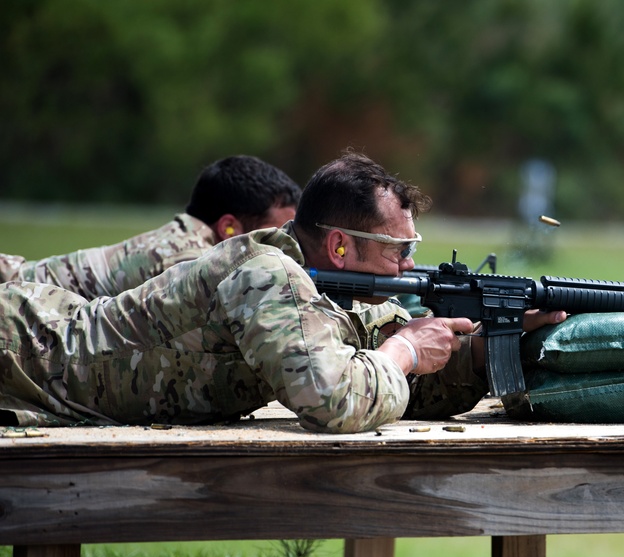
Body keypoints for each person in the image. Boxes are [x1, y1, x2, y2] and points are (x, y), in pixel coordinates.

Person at [0, 152, 566, 433]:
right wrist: (406, 351)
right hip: (23, 351)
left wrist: (482, 349)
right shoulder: (267, 273)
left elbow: (397, 386)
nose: (410, 264)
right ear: (340, 246)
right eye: (399, 248)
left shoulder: (333, 290)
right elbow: (333, 401)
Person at [0, 155, 301, 299]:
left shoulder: (185, 239)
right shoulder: (189, 259)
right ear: (230, 228)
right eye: (276, 233)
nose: (286, 246)